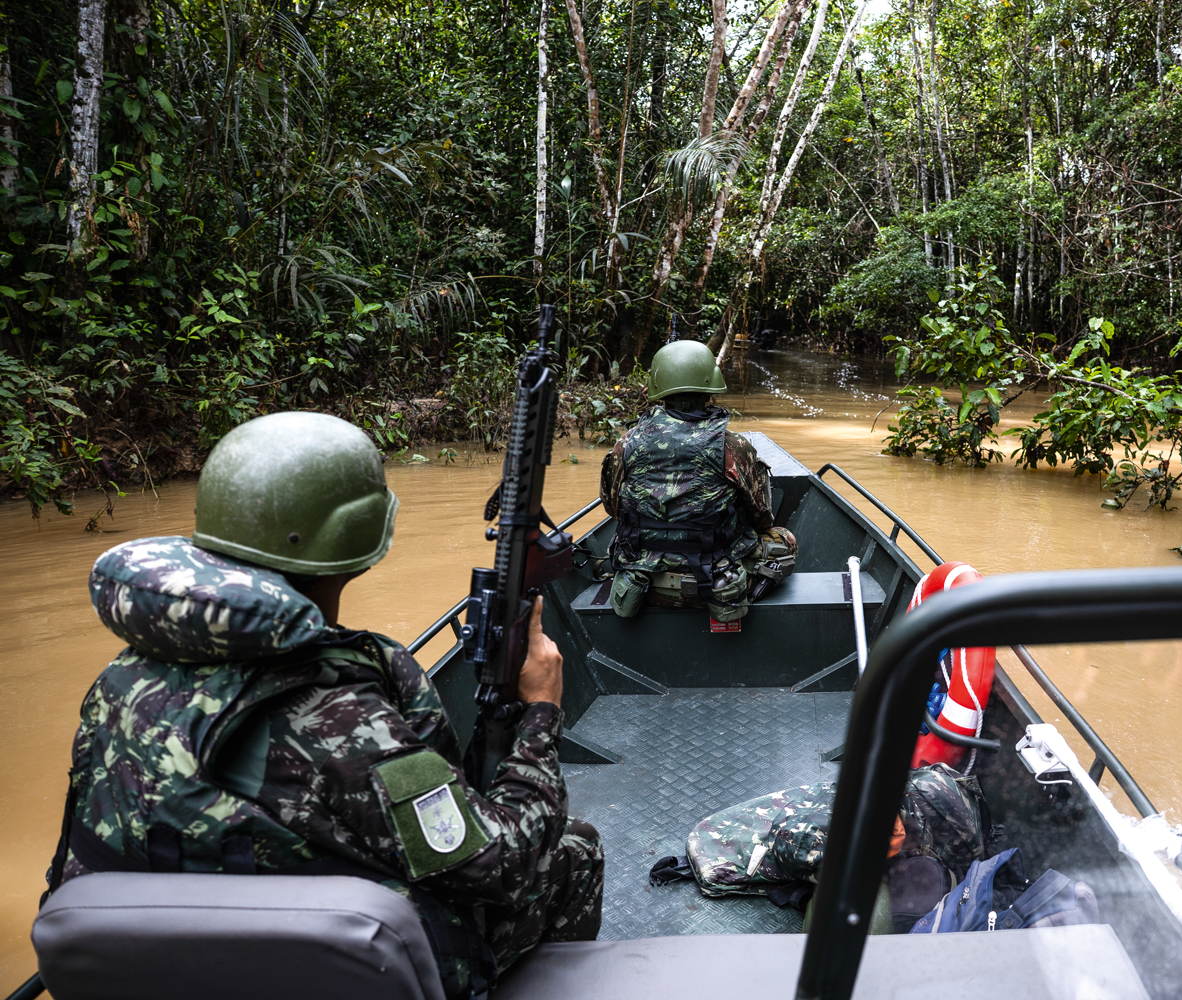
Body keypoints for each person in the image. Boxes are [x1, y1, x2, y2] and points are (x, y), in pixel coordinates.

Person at [47, 411, 601, 998]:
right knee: (575, 848)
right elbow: (500, 865)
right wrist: (540, 710)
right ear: (363, 540)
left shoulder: (124, 674)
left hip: (149, 963)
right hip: (308, 970)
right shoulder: (340, 714)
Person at [600, 340, 796, 621]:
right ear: (708, 394)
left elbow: (613, 509)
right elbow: (761, 518)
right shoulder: (733, 446)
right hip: (716, 584)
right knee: (786, 540)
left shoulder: (626, 444)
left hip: (646, 586)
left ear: (659, 393)